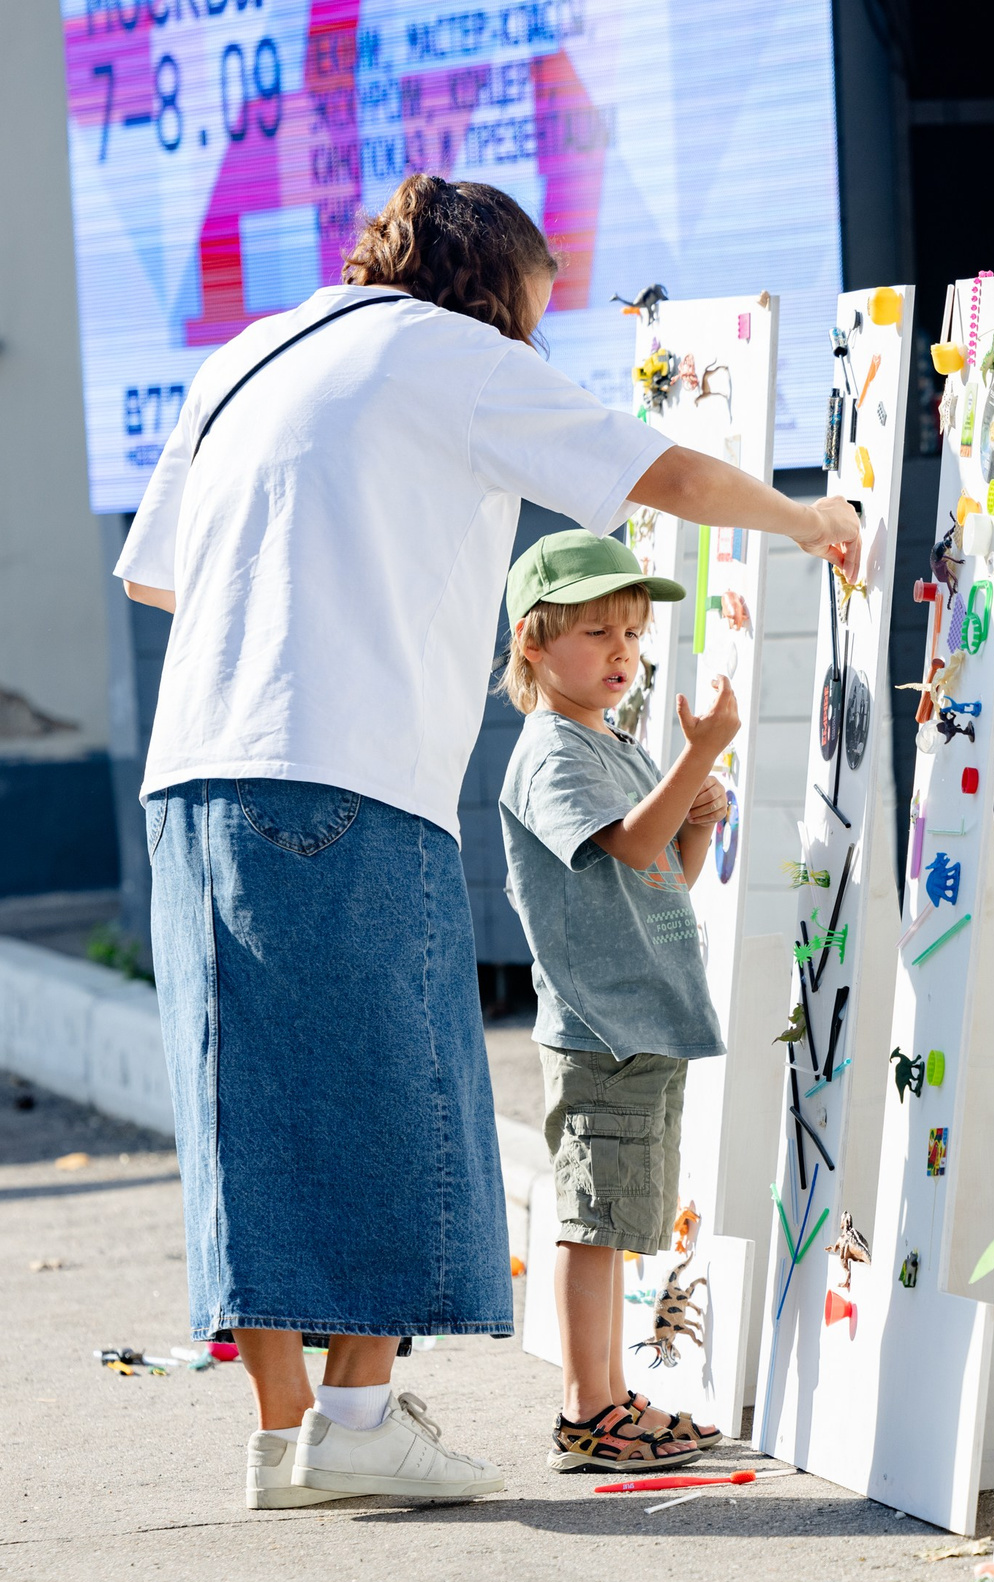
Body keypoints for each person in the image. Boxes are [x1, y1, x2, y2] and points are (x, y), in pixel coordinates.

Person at [114, 174, 859, 1510]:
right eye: (536, 312)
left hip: (191, 770)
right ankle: (355, 1410)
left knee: (248, 1104)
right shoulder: (444, 350)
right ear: (492, 290)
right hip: (341, 763)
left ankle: (290, 1433)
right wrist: (806, 519)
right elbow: (659, 470)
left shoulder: (246, 353)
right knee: (393, 1082)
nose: (536, 341)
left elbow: (157, 575)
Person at [496, 532, 733, 1469]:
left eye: (632, 632)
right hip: (602, 1024)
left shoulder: (613, 744)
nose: (622, 653)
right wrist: (702, 751)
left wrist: (700, 820)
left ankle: (603, 1397)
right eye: (597, 632)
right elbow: (633, 848)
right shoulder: (553, 753)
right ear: (534, 645)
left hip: (643, 1017)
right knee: (593, 1223)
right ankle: (587, 1409)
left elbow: (666, 869)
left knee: (620, 1215)